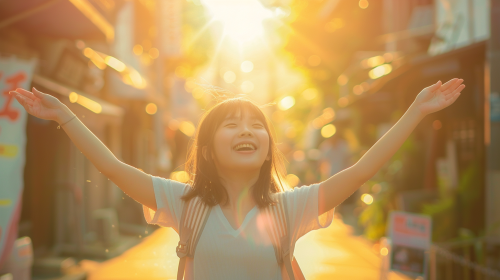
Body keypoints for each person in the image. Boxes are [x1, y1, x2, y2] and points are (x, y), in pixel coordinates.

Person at [10, 78, 465, 279]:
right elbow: (113, 168)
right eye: (231, 124)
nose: (247, 130)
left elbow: (364, 169)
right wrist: (65, 118)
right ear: (207, 149)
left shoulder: (292, 206)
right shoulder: (183, 202)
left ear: (267, 146)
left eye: (255, 125)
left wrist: (416, 111)